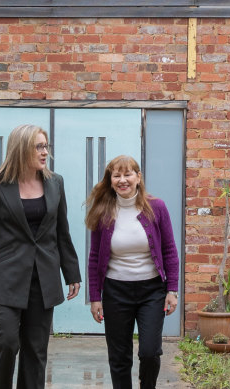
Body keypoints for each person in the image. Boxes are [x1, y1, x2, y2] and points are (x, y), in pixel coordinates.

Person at [0, 124, 82, 389]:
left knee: (36, 349)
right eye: (38, 147)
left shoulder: (55, 183)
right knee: (6, 340)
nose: (44, 152)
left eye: (46, 146)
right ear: (21, 149)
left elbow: (61, 231)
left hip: (44, 277)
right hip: (7, 276)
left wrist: (71, 272)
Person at [86, 155, 179, 389]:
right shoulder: (103, 210)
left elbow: (169, 250)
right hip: (116, 291)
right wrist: (95, 297)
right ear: (110, 180)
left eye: (128, 174)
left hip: (151, 291)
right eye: (116, 175)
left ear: (138, 177)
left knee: (149, 352)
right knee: (119, 356)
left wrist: (172, 290)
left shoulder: (156, 207)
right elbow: (94, 256)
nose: (122, 180)